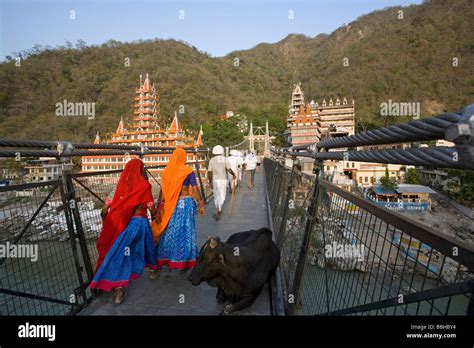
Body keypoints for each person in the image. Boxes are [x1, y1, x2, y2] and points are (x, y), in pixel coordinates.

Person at [90, 158, 157, 304]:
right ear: (141, 170)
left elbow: (104, 209)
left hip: (126, 226)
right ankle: (152, 271)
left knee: (121, 254)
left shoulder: (119, 188)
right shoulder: (145, 186)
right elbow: (151, 207)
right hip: (141, 223)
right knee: (148, 246)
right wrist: (157, 216)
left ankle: (119, 291)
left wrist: (107, 221)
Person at [152, 148, 205, 272]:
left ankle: (167, 258)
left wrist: (160, 209)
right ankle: (184, 261)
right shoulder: (187, 171)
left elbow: (163, 192)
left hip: (171, 205)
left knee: (170, 231)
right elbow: (195, 189)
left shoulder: (167, 172)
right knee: (186, 231)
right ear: (183, 157)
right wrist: (201, 203)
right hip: (186, 204)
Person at [208, 145, 235, 221]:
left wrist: (210, 182)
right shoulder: (225, 159)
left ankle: (218, 209)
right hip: (223, 179)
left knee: (216, 195)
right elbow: (229, 170)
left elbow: (209, 172)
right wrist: (234, 175)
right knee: (223, 195)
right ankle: (219, 209)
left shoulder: (212, 160)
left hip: (215, 180)